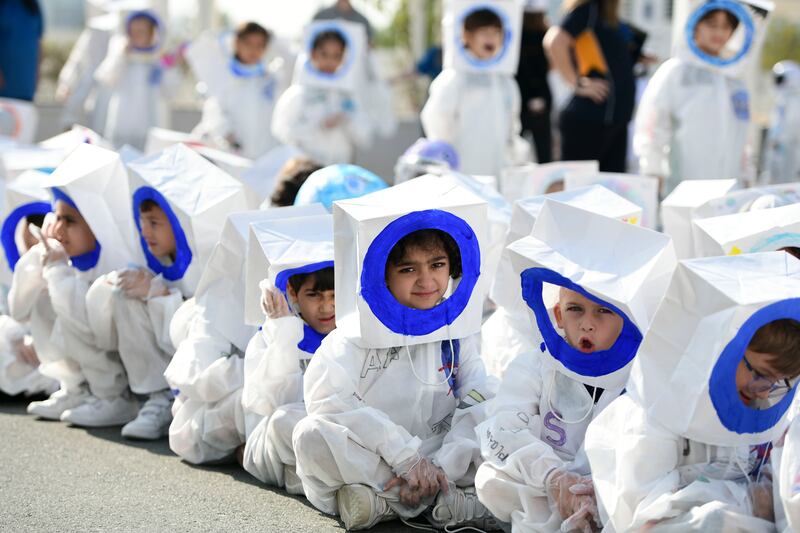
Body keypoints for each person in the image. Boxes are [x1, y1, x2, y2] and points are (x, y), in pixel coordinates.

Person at [292, 175, 497, 531]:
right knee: (310, 434)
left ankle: (385, 502)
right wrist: (405, 457)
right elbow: (328, 399)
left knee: (498, 413)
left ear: (453, 268)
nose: (426, 281)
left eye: (436, 265)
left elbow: (477, 396)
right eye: (408, 269)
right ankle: (441, 502)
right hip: (383, 458)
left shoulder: (457, 332)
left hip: (443, 456)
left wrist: (441, 466)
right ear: (382, 275)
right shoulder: (353, 334)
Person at [474, 200, 675, 532]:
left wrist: (598, 488)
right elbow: (505, 425)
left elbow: (645, 450)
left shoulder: (641, 376)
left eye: (604, 311)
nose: (588, 325)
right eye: (576, 310)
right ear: (557, 316)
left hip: (607, 489)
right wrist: (554, 477)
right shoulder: (536, 364)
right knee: (491, 477)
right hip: (544, 482)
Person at [584, 252, 800, 531]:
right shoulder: (654, 415)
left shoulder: (767, 409)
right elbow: (647, 520)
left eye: (782, 382)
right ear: (719, 349)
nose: (764, 391)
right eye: (760, 374)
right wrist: (748, 501)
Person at [26, 144, 141, 426]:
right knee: (43, 294)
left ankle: (113, 397)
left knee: (72, 294)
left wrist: (57, 272)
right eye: (58, 218)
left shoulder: (124, 264)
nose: (59, 229)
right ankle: (78, 388)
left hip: (127, 373)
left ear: (97, 220)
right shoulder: (70, 258)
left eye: (70, 220)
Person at [240, 214, 335, 491]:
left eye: (333, 296)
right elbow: (270, 404)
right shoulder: (268, 335)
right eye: (314, 296)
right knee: (288, 421)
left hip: (330, 439)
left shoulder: (353, 334)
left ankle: (326, 485)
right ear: (293, 291)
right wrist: (282, 332)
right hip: (276, 446)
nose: (326, 308)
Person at [634, 2, 768, 196]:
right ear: (696, 24)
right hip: (683, 187)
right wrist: (653, 171)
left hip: (729, 190)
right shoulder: (676, 72)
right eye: (712, 24)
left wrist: (747, 177)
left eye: (725, 26)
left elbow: (743, 134)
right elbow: (653, 127)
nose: (719, 32)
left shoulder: (735, 80)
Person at [421, 5, 526, 177]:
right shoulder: (453, 79)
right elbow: (437, 121)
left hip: (498, 170)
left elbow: (512, 125)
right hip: (462, 169)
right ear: (467, 36)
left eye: (496, 32)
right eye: (484, 32)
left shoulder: (506, 82)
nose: (491, 37)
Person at [544, 0, 637, 172]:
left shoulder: (606, 15)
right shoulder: (589, 9)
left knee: (610, 193)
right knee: (576, 191)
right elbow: (554, 41)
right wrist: (577, 83)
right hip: (590, 119)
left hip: (615, 120)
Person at [272, 25, 371, 165]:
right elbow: (281, 131)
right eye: (324, 54)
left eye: (337, 56)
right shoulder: (299, 93)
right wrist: (317, 126)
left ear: (345, 57)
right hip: (306, 168)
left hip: (339, 168)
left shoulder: (348, 95)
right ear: (312, 54)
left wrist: (348, 121)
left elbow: (364, 137)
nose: (330, 62)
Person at [191, 22, 283, 160]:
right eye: (248, 44)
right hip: (232, 153)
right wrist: (227, 134)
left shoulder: (270, 79)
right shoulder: (223, 75)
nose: (254, 50)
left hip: (265, 155)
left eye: (260, 45)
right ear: (237, 43)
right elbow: (214, 111)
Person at [95, 10, 181, 149]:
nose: (135, 36)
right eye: (132, 32)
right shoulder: (121, 55)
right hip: (121, 130)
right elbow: (106, 79)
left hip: (152, 132)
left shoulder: (160, 60)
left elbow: (172, 92)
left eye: (141, 31)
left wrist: (166, 67)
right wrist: (120, 56)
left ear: (153, 33)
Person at [517, 0, 554, 164]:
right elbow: (550, 66)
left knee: (515, 151)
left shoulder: (514, 37)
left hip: (520, 98)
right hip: (540, 98)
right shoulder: (545, 34)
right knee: (544, 154)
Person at [763, 60, 800, 184]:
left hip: (788, 152)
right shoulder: (782, 99)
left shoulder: (794, 101)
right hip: (777, 148)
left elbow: (791, 129)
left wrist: (780, 140)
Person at [0, 0, 43, 102]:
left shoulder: (33, 5)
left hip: (26, 86)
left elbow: (38, 41)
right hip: (4, 87)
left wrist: (37, 73)